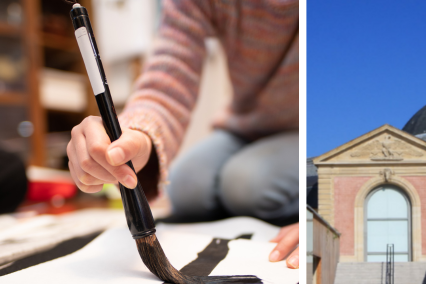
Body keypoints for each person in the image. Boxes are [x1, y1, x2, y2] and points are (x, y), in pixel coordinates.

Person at [66, 0, 299, 268]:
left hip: (302, 129)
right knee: (186, 185)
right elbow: (171, 72)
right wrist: (137, 135)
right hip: (243, 126)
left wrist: (315, 216)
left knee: (246, 183)